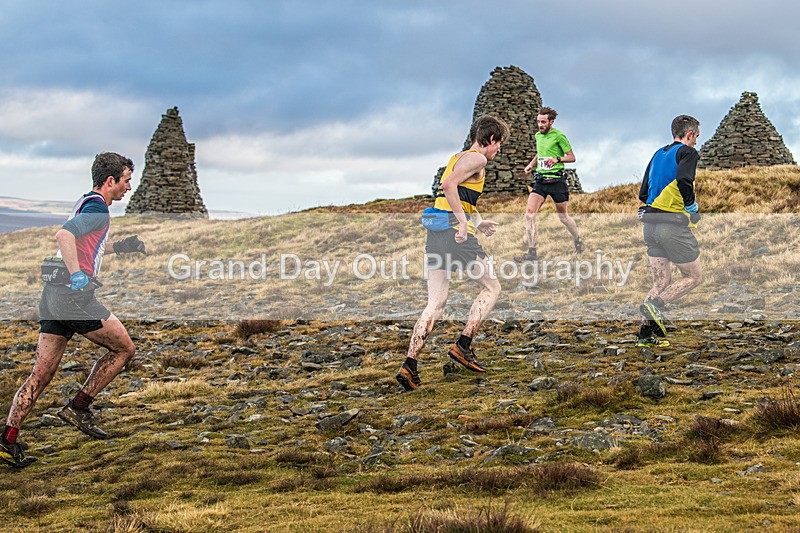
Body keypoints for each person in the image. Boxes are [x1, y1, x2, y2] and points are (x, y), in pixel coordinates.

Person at [0, 152, 146, 468]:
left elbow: (87, 241)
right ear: (111, 181)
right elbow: (64, 235)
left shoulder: (87, 202)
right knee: (124, 349)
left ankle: (7, 442)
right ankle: (79, 407)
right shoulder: (98, 210)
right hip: (73, 296)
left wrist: (122, 246)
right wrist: (78, 274)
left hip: (52, 296)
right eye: (126, 180)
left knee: (41, 374)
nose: (129, 187)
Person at [396, 115, 509, 391]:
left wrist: (476, 220)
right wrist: (462, 223)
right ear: (491, 139)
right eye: (500, 145)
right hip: (454, 234)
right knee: (492, 287)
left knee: (436, 302)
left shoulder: (458, 157)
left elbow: (457, 193)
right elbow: (449, 188)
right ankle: (463, 345)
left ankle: (409, 365)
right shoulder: (478, 159)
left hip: (436, 233)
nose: (499, 151)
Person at [636, 115, 703, 347]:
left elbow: (642, 194)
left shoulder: (657, 154)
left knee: (660, 282)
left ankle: (645, 336)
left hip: (650, 227)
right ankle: (656, 307)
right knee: (693, 276)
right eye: (696, 138)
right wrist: (691, 207)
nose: (695, 143)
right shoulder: (688, 153)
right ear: (690, 134)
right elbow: (685, 180)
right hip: (672, 226)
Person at [515, 106, 583, 263]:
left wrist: (557, 160)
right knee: (529, 214)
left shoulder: (559, 136)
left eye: (543, 122)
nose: (540, 125)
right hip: (541, 182)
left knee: (563, 217)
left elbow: (572, 157)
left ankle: (578, 239)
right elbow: (541, 152)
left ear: (551, 122)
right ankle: (532, 252)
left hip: (557, 182)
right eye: (538, 121)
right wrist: (531, 164)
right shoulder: (538, 136)